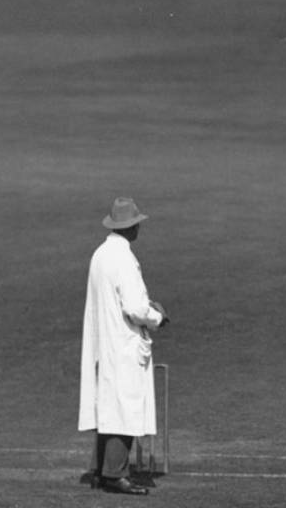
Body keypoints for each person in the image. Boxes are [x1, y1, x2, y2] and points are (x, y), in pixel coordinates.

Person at [78, 197, 169, 495]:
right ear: (130, 227)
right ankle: (114, 474)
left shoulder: (100, 254)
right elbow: (135, 308)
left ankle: (100, 469)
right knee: (124, 407)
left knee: (108, 403)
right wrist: (158, 317)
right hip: (123, 342)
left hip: (104, 340)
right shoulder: (124, 259)